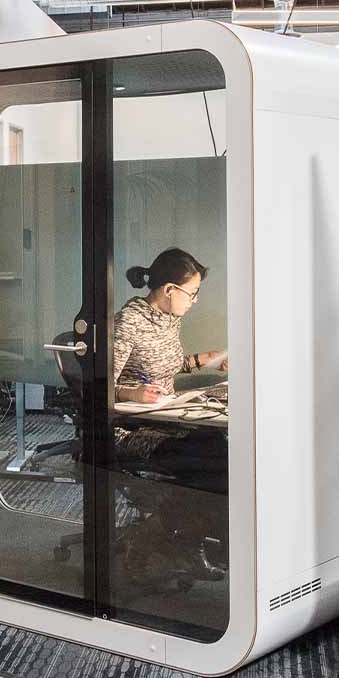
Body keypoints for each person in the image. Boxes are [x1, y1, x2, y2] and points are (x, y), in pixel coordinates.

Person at [112, 247, 228, 582]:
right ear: (169, 290)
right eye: (192, 294)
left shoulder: (169, 318)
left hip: (167, 419)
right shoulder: (129, 321)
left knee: (218, 448)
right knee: (212, 458)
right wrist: (131, 393)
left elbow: (162, 365)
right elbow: (99, 382)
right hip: (130, 430)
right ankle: (153, 537)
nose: (194, 301)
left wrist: (203, 359)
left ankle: (179, 540)